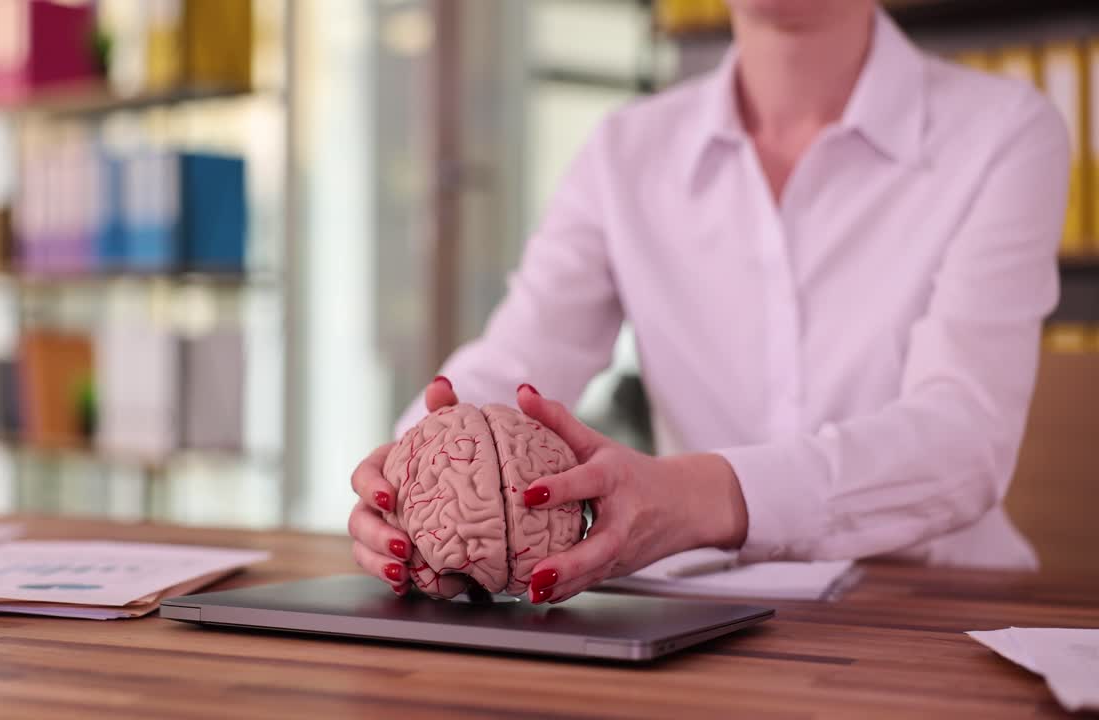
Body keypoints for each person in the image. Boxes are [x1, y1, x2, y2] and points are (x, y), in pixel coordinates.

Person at [349, 0, 1069, 604]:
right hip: (703, 619)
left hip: (935, 615)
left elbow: (964, 436)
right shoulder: (624, 151)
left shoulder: (1006, 130)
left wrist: (701, 496)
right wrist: (408, 481)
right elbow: (520, 359)